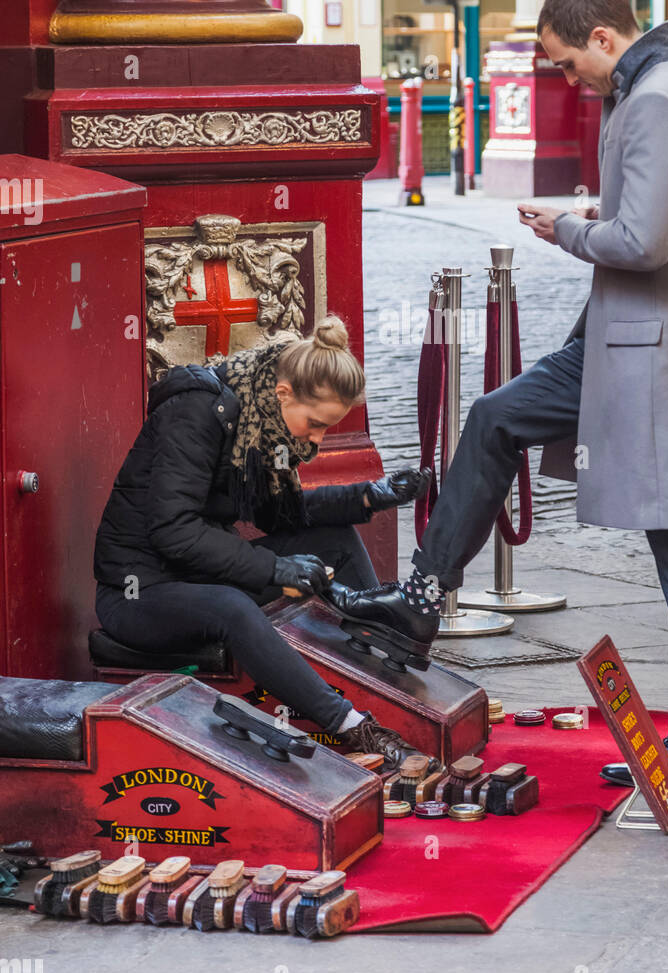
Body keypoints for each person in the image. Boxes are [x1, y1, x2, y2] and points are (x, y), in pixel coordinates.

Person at [333, 0, 668, 787]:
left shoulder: (660, 100)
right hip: (623, 341)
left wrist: (563, 227)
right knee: (495, 417)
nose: (570, 81)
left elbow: (642, 242)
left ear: (603, 37)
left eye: (569, 64)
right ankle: (421, 600)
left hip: (659, 357)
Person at [93, 314, 434, 766]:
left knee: (334, 538)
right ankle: (354, 727)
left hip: (200, 572)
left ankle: (383, 660)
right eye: (315, 424)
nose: (316, 440)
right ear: (283, 393)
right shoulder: (198, 411)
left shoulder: (262, 424)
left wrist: (368, 496)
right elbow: (173, 530)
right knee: (232, 607)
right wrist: (276, 570)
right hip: (139, 592)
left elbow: (280, 516)